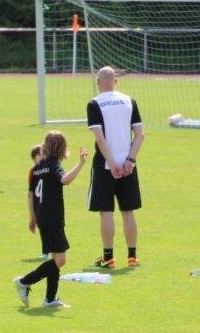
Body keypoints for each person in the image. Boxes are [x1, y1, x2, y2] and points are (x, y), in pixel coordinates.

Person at [14, 131, 88, 308]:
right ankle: (25, 281)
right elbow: (65, 180)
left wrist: (33, 217)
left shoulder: (36, 168)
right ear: (62, 148)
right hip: (52, 217)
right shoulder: (53, 165)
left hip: (42, 217)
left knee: (55, 257)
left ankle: (50, 299)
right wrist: (81, 163)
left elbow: (31, 195)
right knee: (60, 260)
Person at [86, 66, 144, 269]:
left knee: (106, 212)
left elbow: (100, 139)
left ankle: (108, 257)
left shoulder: (95, 103)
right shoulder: (129, 101)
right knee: (128, 211)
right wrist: (130, 160)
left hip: (105, 165)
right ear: (116, 82)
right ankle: (132, 257)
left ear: (98, 82)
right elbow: (140, 135)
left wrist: (111, 164)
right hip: (128, 165)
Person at [27, 144, 48, 260]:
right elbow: (30, 192)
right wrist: (32, 215)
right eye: (39, 154)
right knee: (43, 228)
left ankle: (49, 251)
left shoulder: (49, 166)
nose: (42, 155)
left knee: (48, 227)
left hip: (48, 202)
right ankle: (46, 252)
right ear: (34, 157)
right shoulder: (33, 171)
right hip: (38, 203)